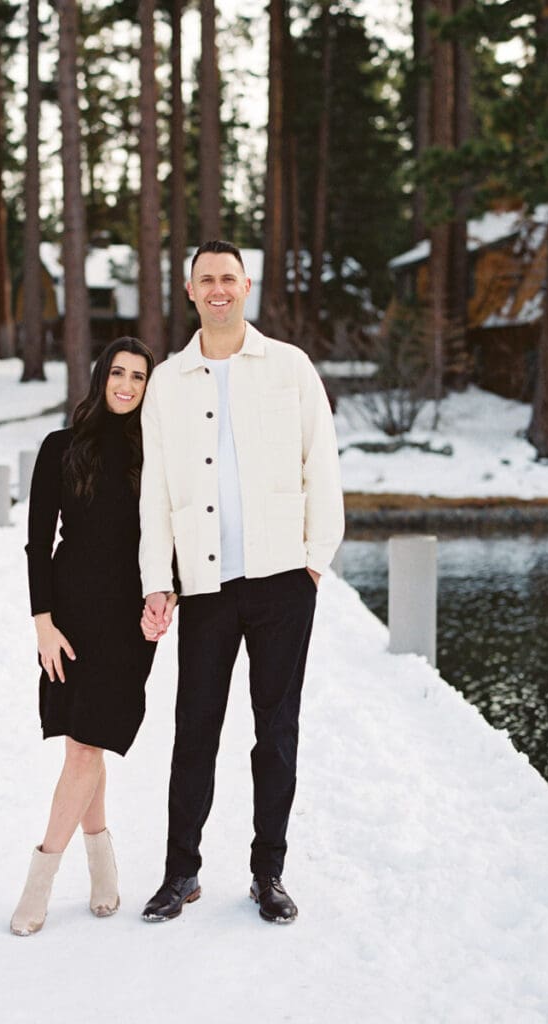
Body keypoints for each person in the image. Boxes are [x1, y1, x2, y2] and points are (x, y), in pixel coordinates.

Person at [138, 240, 344, 925]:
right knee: (194, 729)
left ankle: (269, 873)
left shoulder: (288, 367)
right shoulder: (168, 380)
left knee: (275, 731)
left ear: (245, 286)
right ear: (189, 291)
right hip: (204, 586)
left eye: (229, 278)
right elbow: (154, 490)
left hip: (284, 580)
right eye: (207, 280)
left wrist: (315, 561)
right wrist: (156, 580)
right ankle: (181, 873)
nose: (219, 289)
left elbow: (324, 463)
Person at [10, 337, 175, 936]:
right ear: (101, 376)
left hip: (130, 623)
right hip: (70, 618)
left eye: (139, 377)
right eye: (119, 373)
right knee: (84, 746)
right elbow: (36, 542)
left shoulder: (156, 454)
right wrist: (42, 622)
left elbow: (173, 536)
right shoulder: (61, 448)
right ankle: (101, 868)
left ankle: (39, 880)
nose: (127, 385)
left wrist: (169, 594)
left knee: (89, 744)